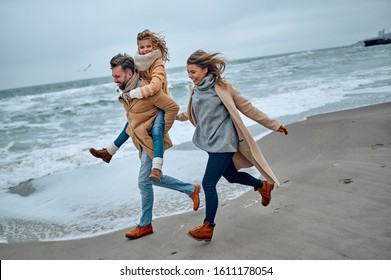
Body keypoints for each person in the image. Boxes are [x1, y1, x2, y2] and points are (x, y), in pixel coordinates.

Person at [176, 50, 288, 242]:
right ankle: (262, 186)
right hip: (210, 142)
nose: (190, 76)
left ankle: (207, 227)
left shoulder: (223, 87)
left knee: (208, 183)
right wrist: (173, 116)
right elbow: (190, 112)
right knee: (232, 176)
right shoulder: (194, 90)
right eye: (188, 72)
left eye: (193, 71)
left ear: (204, 69)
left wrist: (273, 124)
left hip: (225, 142)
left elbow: (247, 107)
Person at [107, 53, 200, 239]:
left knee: (143, 181)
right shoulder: (125, 92)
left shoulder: (146, 89)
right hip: (141, 141)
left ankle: (145, 224)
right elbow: (133, 119)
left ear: (129, 73)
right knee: (152, 178)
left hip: (151, 140)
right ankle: (191, 189)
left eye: (117, 76)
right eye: (113, 76)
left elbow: (172, 108)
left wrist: (159, 132)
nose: (115, 80)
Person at [90, 29, 171, 182]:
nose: (145, 50)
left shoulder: (157, 64)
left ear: (155, 46)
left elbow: (154, 86)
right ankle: (109, 151)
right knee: (131, 122)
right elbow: (133, 78)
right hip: (146, 100)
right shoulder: (140, 62)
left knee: (157, 130)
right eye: (142, 47)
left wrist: (135, 93)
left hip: (159, 102)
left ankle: (157, 167)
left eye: (149, 46)